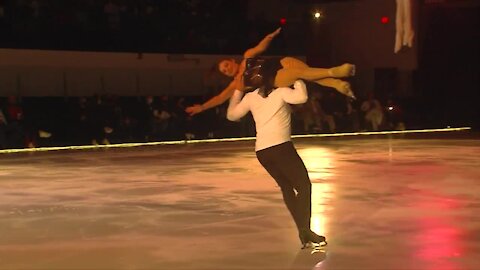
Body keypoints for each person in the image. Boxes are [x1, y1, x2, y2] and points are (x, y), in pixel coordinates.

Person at [226, 59, 327, 248]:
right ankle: (305, 230)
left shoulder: (250, 97)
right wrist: (297, 76)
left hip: (263, 152)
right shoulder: (281, 92)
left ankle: (303, 231)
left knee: (287, 188)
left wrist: (238, 90)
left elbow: (231, 115)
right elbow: (302, 97)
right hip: (281, 147)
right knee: (304, 186)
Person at [186, 27, 356, 116]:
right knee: (302, 74)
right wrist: (202, 107)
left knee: (309, 72)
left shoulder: (247, 56)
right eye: (224, 71)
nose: (227, 69)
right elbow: (220, 98)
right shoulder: (237, 83)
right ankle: (334, 72)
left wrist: (270, 37)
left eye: (227, 65)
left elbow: (261, 46)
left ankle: (338, 85)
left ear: (231, 61)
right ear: (225, 74)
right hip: (275, 78)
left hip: (282, 62)